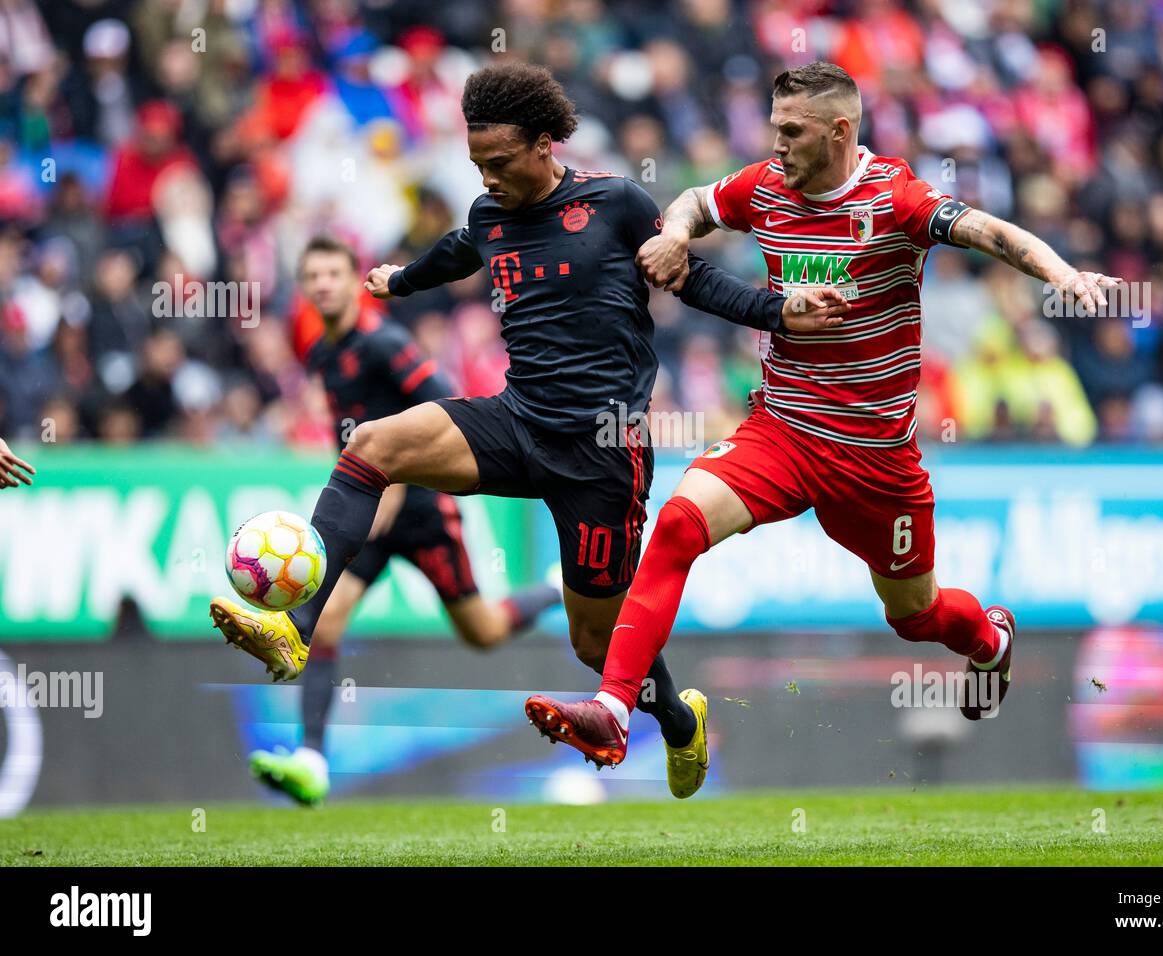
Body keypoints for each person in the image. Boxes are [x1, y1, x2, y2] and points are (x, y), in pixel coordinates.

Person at [207, 63, 847, 800]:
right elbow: (461, 247)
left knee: (594, 642)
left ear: (545, 145)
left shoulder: (615, 203)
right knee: (372, 445)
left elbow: (693, 279)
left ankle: (679, 721)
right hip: (516, 420)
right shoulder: (491, 212)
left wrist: (778, 311)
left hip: (601, 453)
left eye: (501, 162)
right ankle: (296, 626)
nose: (488, 178)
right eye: (477, 164)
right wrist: (401, 280)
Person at [524, 62, 1121, 783]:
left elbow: (988, 231)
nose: (776, 144)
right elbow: (694, 200)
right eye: (774, 128)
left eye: (792, 131)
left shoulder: (896, 197)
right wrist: (677, 233)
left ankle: (989, 641)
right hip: (783, 429)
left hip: (875, 458)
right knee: (679, 523)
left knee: (916, 615)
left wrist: (1063, 276)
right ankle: (614, 710)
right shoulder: (765, 187)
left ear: (839, 131)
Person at [213, 235, 562, 805]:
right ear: (304, 288)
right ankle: (311, 761)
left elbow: (446, 405)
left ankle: (555, 590)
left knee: (482, 632)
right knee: (325, 623)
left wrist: (395, 481)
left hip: (421, 510)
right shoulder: (321, 353)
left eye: (334, 274)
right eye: (314, 276)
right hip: (366, 520)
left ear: (354, 282)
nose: (324, 284)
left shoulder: (385, 343)